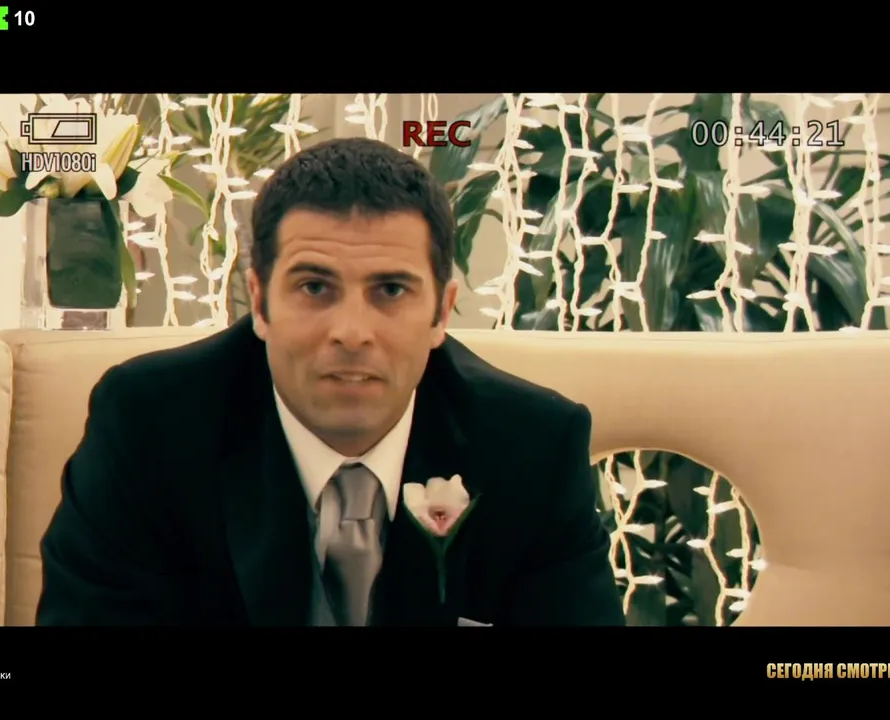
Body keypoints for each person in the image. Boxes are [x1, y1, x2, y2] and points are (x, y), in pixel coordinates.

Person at [36, 137, 625, 627]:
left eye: (390, 290)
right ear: (259, 303)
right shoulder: (149, 422)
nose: (351, 332)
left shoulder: (533, 445)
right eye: (315, 287)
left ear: (441, 313)